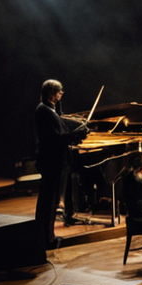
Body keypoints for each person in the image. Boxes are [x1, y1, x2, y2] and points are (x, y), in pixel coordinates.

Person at [34, 79, 89, 249]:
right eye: (59, 93)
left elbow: (61, 130)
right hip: (52, 162)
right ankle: (46, 239)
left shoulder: (50, 110)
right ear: (52, 94)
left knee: (50, 202)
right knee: (49, 203)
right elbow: (56, 138)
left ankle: (47, 237)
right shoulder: (44, 111)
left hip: (54, 161)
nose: (60, 95)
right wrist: (75, 134)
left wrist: (76, 134)